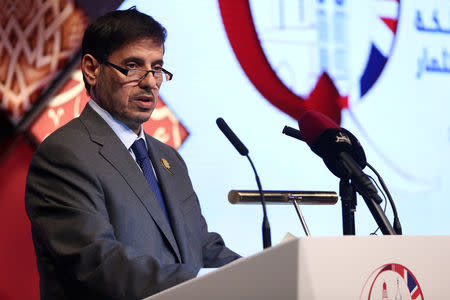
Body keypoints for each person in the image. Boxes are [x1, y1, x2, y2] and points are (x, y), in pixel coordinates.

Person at [25, 7, 240, 300]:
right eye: (134, 66)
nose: (150, 82)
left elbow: (201, 247)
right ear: (92, 68)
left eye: (157, 68)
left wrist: (265, 273)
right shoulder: (63, 155)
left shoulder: (169, 159)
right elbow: (100, 263)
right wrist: (202, 284)